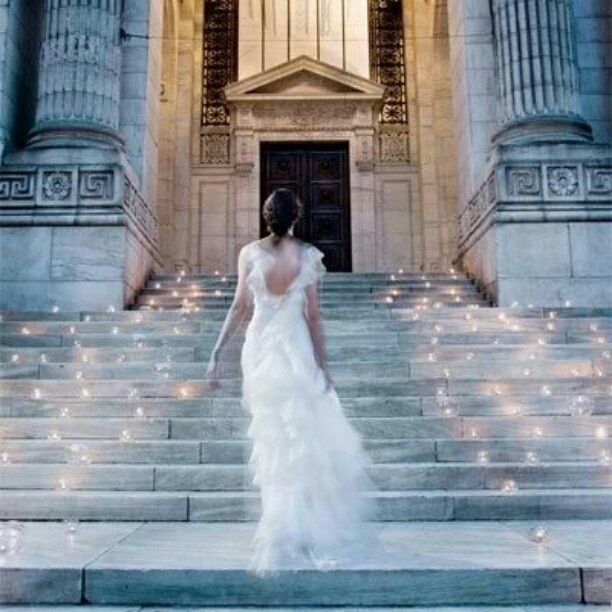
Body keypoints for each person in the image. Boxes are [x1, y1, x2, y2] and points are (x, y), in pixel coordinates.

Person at [206, 188, 374, 576]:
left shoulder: (249, 253)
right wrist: (323, 364)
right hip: (293, 347)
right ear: (296, 217)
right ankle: (297, 520)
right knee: (300, 437)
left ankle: (278, 521)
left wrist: (216, 352)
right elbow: (314, 317)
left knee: (272, 436)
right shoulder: (307, 256)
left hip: (262, 348)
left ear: (265, 216)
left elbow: (239, 306)